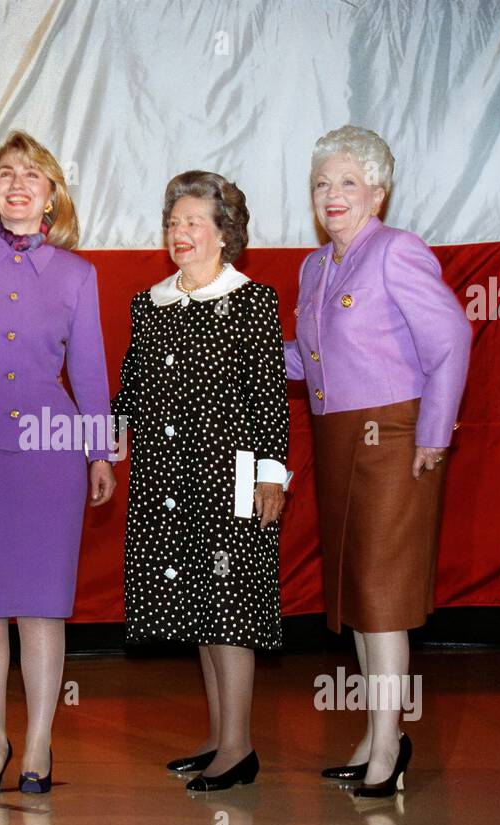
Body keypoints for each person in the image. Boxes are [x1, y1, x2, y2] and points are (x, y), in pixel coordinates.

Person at [284, 125, 471, 798]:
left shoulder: (397, 252)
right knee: (360, 599)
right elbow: (308, 358)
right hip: (337, 441)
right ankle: (372, 732)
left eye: (347, 182)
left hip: (394, 441)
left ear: (379, 192)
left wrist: (434, 432)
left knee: (385, 600)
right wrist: (245, 355)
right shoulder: (315, 267)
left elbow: (451, 336)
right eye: (320, 183)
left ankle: (390, 745)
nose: (331, 195)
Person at [0, 130, 116, 794]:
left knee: (42, 606)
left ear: (51, 195)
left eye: (31, 176)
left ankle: (38, 741)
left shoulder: (78, 274)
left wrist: (101, 450)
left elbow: (91, 370)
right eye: (6, 174)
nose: (17, 184)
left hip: (50, 455)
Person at [112, 170, 290, 792]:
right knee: (199, 608)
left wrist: (272, 476)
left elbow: (269, 397)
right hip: (168, 476)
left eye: (193, 222)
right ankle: (219, 735)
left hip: (232, 477)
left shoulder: (251, 301)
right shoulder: (151, 301)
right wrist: (108, 440)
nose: (179, 233)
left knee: (230, 608)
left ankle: (239, 748)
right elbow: (132, 386)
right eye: (172, 222)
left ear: (223, 234)